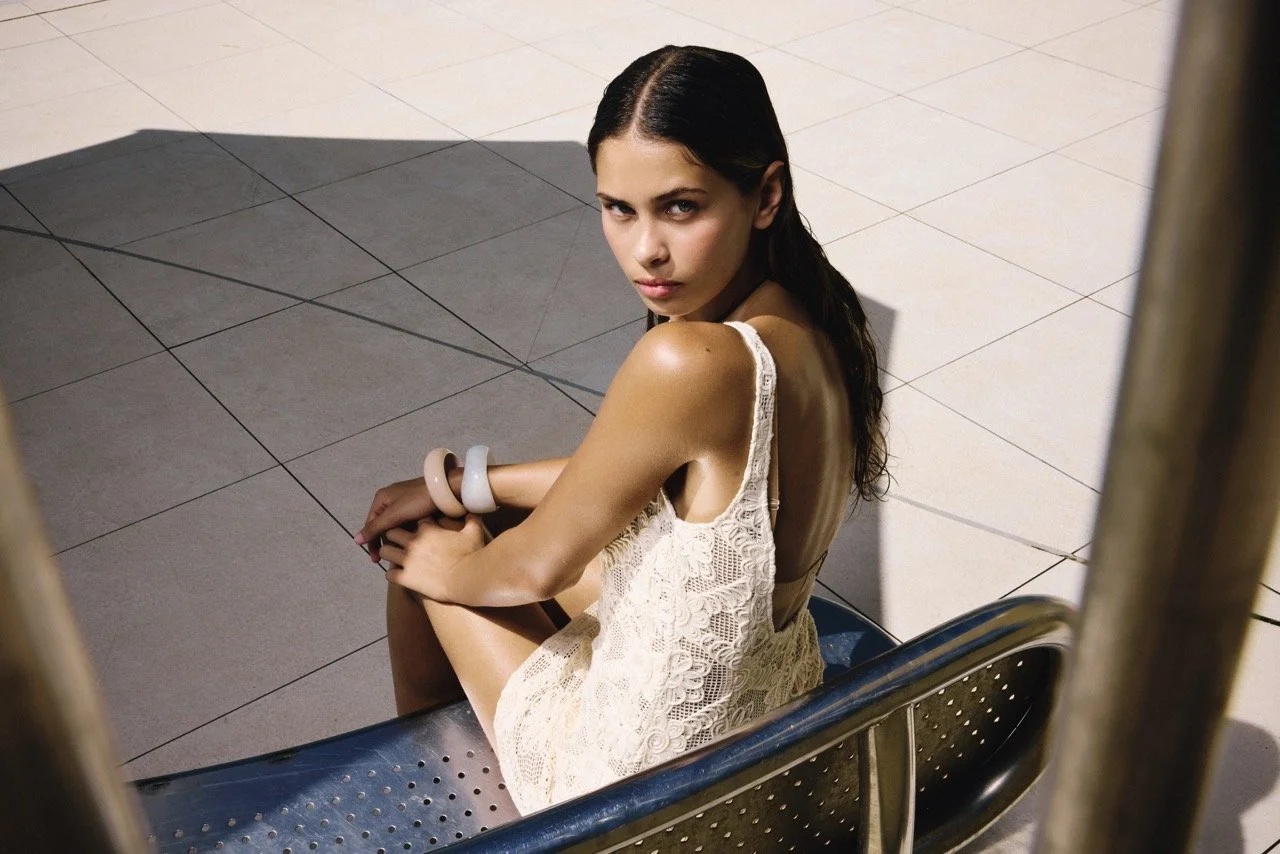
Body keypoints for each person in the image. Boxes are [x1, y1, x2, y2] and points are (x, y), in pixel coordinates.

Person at [354, 44, 888, 816]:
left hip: (634, 783)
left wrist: (445, 568)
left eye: (681, 206)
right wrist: (473, 482)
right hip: (762, 715)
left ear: (766, 193)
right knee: (469, 515)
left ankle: (445, 811)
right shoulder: (809, 312)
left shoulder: (686, 359)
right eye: (618, 208)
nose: (646, 250)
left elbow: (530, 572)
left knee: (426, 551)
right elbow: (628, 473)